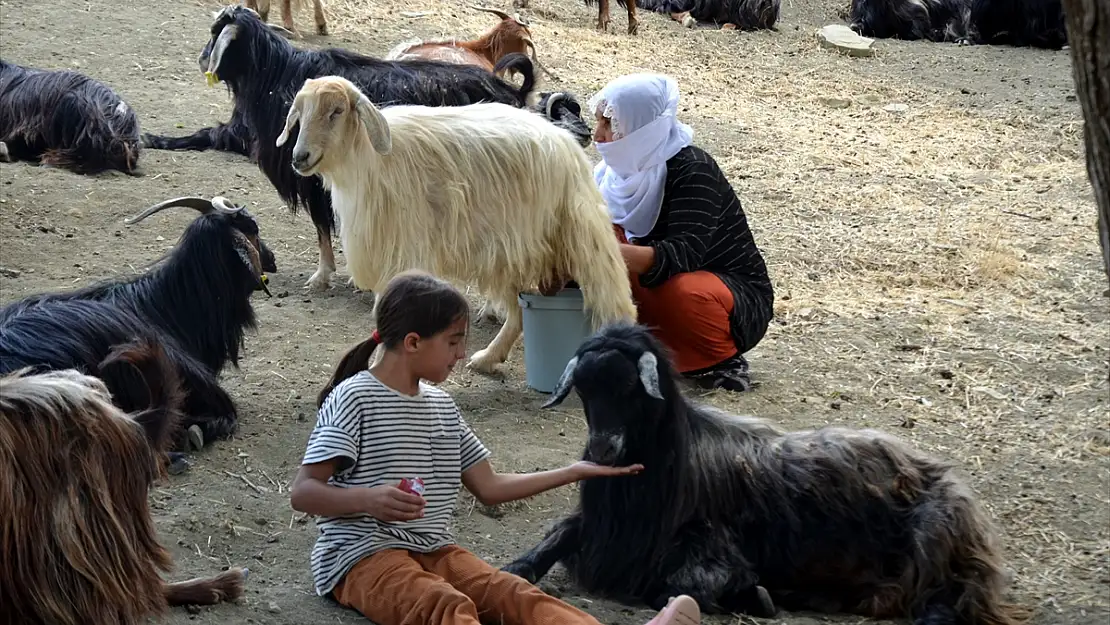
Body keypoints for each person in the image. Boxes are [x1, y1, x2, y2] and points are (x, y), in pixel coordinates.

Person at [290, 269, 702, 625]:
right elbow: (304, 492)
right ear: (413, 342)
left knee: (513, 594)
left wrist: (573, 471)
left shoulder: (441, 406)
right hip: (361, 558)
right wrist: (368, 500)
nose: (463, 354)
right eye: (453, 342)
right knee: (444, 603)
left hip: (434, 549)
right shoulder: (355, 397)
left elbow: (489, 487)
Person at [587, 73, 774, 393]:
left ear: (642, 130)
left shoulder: (692, 169)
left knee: (682, 291)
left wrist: (599, 252)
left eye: (610, 125)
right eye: (599, 123)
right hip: (654, 280)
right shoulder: (610, 176)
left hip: (726, 294)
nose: (597, 135)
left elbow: (683, 255)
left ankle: (718, 360)